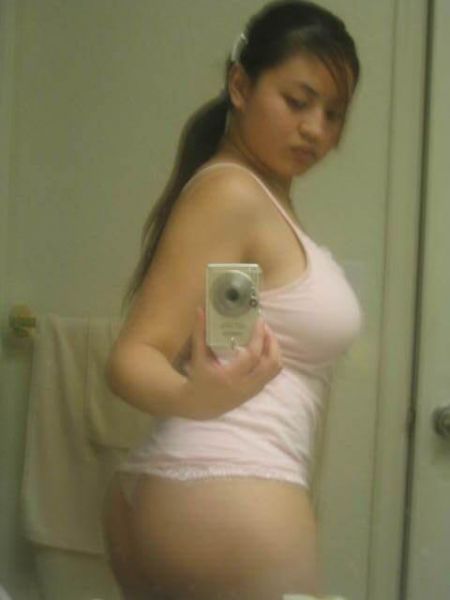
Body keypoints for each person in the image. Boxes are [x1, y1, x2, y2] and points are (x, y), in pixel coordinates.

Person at [102, 1, 363, 598]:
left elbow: (226, 337)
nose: (316, 129)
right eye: (297, 102)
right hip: (229, 485)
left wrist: (203, 393)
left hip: (198, 483)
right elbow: (131, 357)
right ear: (240, 86)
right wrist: (194, 397)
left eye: (333, 113)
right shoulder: (232, 194)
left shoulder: (256, 198)